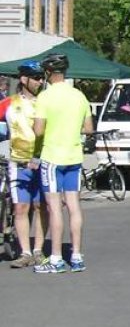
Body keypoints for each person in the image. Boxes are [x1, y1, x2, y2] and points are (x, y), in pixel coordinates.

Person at [31, 52, 94, 274]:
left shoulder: (45, 97)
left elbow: (38, 130)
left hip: (52, 157)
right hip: (74, 156)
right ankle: (76, 256)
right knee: (74, 206)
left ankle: (56, 258)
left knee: (55, 207)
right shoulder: (79, 96)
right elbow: (89, 129)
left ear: (48, 73)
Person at [5, 61, 48, 268]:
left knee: (41, 207)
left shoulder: (45, 102)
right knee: (21, 207)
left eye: (42, 78)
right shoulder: (9, 103)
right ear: (24, 79)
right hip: (19, 162)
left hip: (43, 162)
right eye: (36, 78)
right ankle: (25, 253)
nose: (40, 82)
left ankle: (38, 250)